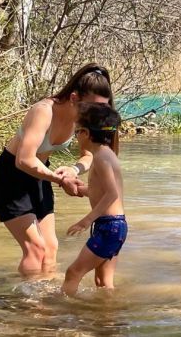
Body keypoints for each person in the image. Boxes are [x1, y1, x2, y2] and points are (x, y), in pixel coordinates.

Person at [0, 64, 116, 276]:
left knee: (51, 248)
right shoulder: (43, 111)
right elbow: (23, 160)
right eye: (94, 108)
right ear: (73, 98)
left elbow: (89, 154)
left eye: (103, 108)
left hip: (40, 177)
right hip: (10, 178)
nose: (99, 115)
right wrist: (60, 180)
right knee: (35, 249)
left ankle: (46, 301)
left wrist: (73, 170)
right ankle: (28, 303)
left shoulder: (84, 119)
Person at [61, 103, 127, 296]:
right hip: (115, 226)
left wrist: (85, 221)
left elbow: (112, 194)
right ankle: (107, 321)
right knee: (103, 282)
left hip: (109, 227)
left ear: (87, 133)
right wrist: (83, 190)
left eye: (77, 132)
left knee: (73, 272)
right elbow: (105, 192)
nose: (76, 137)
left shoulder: (101, 158)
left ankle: (60, 314)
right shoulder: (106, 155)